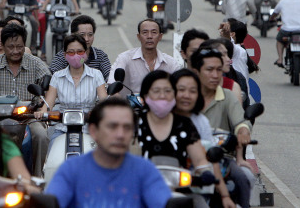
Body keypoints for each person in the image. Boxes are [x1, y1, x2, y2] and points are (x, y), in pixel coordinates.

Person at [45, 98, 171, 208]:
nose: (120, 135)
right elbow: (52, 202)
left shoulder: (146, 171)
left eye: (127, 128)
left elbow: (164, 203)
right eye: (112, 126)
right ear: (94, 131)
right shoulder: (70, 170)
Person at [137, 70, 235, 208]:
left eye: (167, 91)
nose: (162, 96)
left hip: (179, 192)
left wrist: (205, 172)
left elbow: (200, 158)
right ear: (146, 95)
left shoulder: (184, 124)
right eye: (156, 91)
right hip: (138, 190)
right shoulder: (133, 124)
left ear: (173, 95)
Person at [0, 24, 51, 177]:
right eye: (11, 47)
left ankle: (36, 177)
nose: (15, 51)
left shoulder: (35, 63)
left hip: (29, 116)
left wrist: (42, 108)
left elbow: (51, 85)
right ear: (3, 45)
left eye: (19, 47)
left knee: (41, 135)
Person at [190, 47, 254, 208]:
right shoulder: (186, 96)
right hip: (187, 159)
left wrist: (243, 131)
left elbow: (240, 121)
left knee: (244, 177)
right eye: (209, 70)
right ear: (196, 72)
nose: (215, 75)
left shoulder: (227, 96)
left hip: (222, 158)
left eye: (219, 70)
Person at [34, 35, 107, 146]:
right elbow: (49, 103)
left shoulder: (96, 75)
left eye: (80, 52)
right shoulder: (57, 76)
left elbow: (104, 102)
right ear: (65, 55)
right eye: (71, 52)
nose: (76, 56)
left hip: (90, 129)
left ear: (85, 53)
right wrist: (42, 112)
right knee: (52, 156)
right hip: (62, 129)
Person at [108, 19, 178, 96]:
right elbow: (112, 84)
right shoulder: (124, 58)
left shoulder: (171, 63)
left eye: (154, 32)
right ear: (138, 37)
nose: (149, 36)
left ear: (160, 36)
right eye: (145, 33)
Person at [50, 14, 112, 81]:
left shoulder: (100, 56)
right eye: (82, 35)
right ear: (73, 35)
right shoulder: (62, 56)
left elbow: (109, 75)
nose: (86, 39)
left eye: (90, 35)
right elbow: (52, 75)